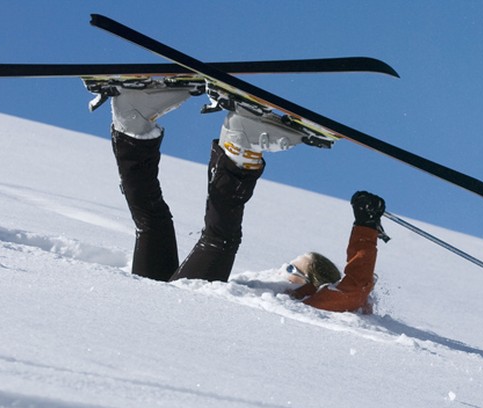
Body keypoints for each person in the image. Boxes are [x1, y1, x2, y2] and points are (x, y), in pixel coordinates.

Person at [102, 83, 387, 313]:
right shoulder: (265, 296)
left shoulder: (306, 307)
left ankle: (240, 147)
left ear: (313, 285)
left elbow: (353, 292)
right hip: (160, 316)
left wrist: (366, 227)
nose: (282, 271)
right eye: (290, 267)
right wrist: (367, 226)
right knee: (157, 224)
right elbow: (355, 289)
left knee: (212, 238)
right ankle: (133, 119)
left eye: (292, 268)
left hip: (173, 318)